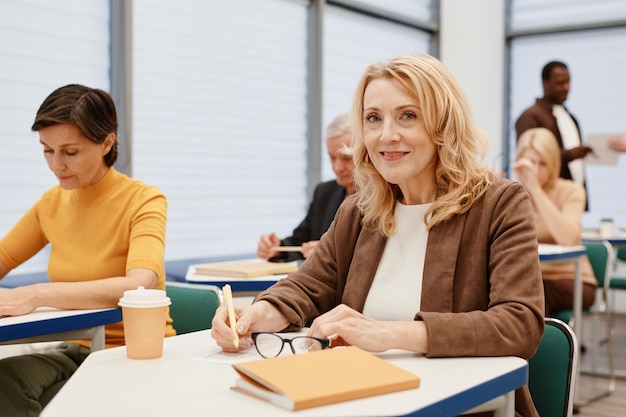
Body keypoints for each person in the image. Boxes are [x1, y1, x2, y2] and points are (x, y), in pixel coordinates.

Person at [213, 53, 545, 417]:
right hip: (361, 400)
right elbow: (307, 286)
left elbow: (520, 324)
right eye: (373, 119)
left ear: (443, 124)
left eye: (408, 115)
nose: (387, 135)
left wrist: (390, 334)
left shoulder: (500, 203)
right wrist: (260, 313)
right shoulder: (358, 211)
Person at [0, 84, 174, 416]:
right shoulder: (51, 203)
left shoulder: (144, 200)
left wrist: (37, 294)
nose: (55, 164)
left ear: (107, 142)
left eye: (70, 152)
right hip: (74, 348)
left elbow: (139, 283)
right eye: (47, 150)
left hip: (134, 352)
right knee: (5, 381)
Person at [513, 128, 597, 316]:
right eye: (530, 163)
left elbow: (566, 238)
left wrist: (535, 189)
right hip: (530, 279)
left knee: (532, 293)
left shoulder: (571, 191)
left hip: (573, 280)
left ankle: (539, 345)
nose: (535, 170)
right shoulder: (514, 194)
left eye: (542, 163)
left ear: (553, 162)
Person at [257, 113, 356, 262]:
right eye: (332, 158)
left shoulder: (383, 198)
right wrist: (278, 248)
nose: (337, 167)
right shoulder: (325, 193)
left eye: (346, 158)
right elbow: (300, 243)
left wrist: (330, 253)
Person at [515, 61, 593, 208]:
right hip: (544, 200)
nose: (566, 88)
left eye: (569, 82)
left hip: (571, 197)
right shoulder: (530, 116)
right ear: (545, 83)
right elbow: (528, 160)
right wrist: (569, 155)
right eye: (560, 83)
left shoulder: (571, 117)